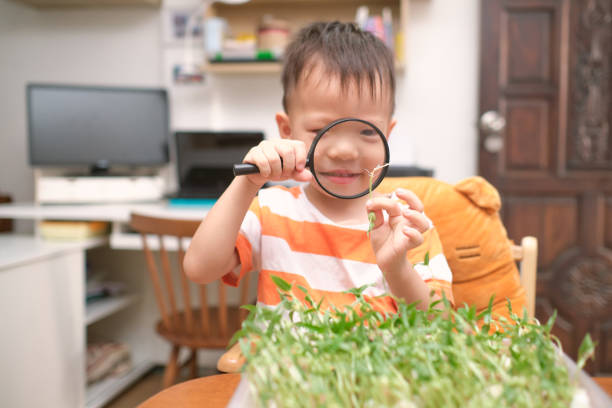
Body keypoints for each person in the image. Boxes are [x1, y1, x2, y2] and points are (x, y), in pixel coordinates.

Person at [184, 21, 453, 314]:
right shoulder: (272, 210)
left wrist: (396, 267)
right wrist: (247, 184)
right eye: (320, 129)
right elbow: (200, 268)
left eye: (366, 132)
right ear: (287, 130)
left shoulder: (407, 225)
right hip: (285, 361)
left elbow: (439, 323)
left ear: (387, 134)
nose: (343, 151)